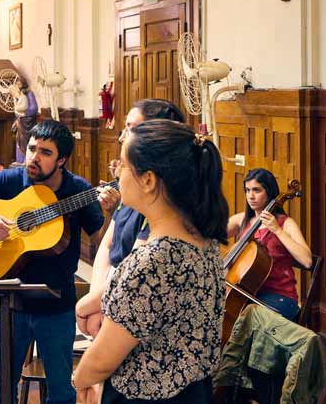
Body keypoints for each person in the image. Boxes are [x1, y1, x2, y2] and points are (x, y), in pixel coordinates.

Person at [0, 119, 104, 404]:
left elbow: (102, 243)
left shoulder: (78, 191)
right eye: (32, 148)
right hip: (10, 305)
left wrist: (111, 212)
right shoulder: (10, 180)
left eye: (45, 152)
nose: (34, 157)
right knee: (1, 392)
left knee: (62, 394)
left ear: (62, 160)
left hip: (57, 305)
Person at [73, 119, 228, 404]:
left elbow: (102, 360)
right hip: (193, 393)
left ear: (148, 179)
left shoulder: (151, 262)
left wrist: (80, 379)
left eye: (123, 165)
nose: (116, 174)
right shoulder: (204, 241)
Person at [76, 99, 185, 337]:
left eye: (131, 128)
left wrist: (87, 306)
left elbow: (133, 270)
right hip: (109, 296)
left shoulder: (162, 198)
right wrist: (95, 300)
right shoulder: (131, 188)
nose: (121, 137)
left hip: (131, 303)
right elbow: (108, 245)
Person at [227, 168, 312, 320]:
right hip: (249, 294)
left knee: (245, 318)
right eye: (247, 190)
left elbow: (307, 261)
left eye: (257, 190)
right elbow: (209, 234)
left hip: (280, 297)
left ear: (269, 192)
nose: (250, 196)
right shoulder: (243, 220)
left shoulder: (286, 224)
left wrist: (277, 230)